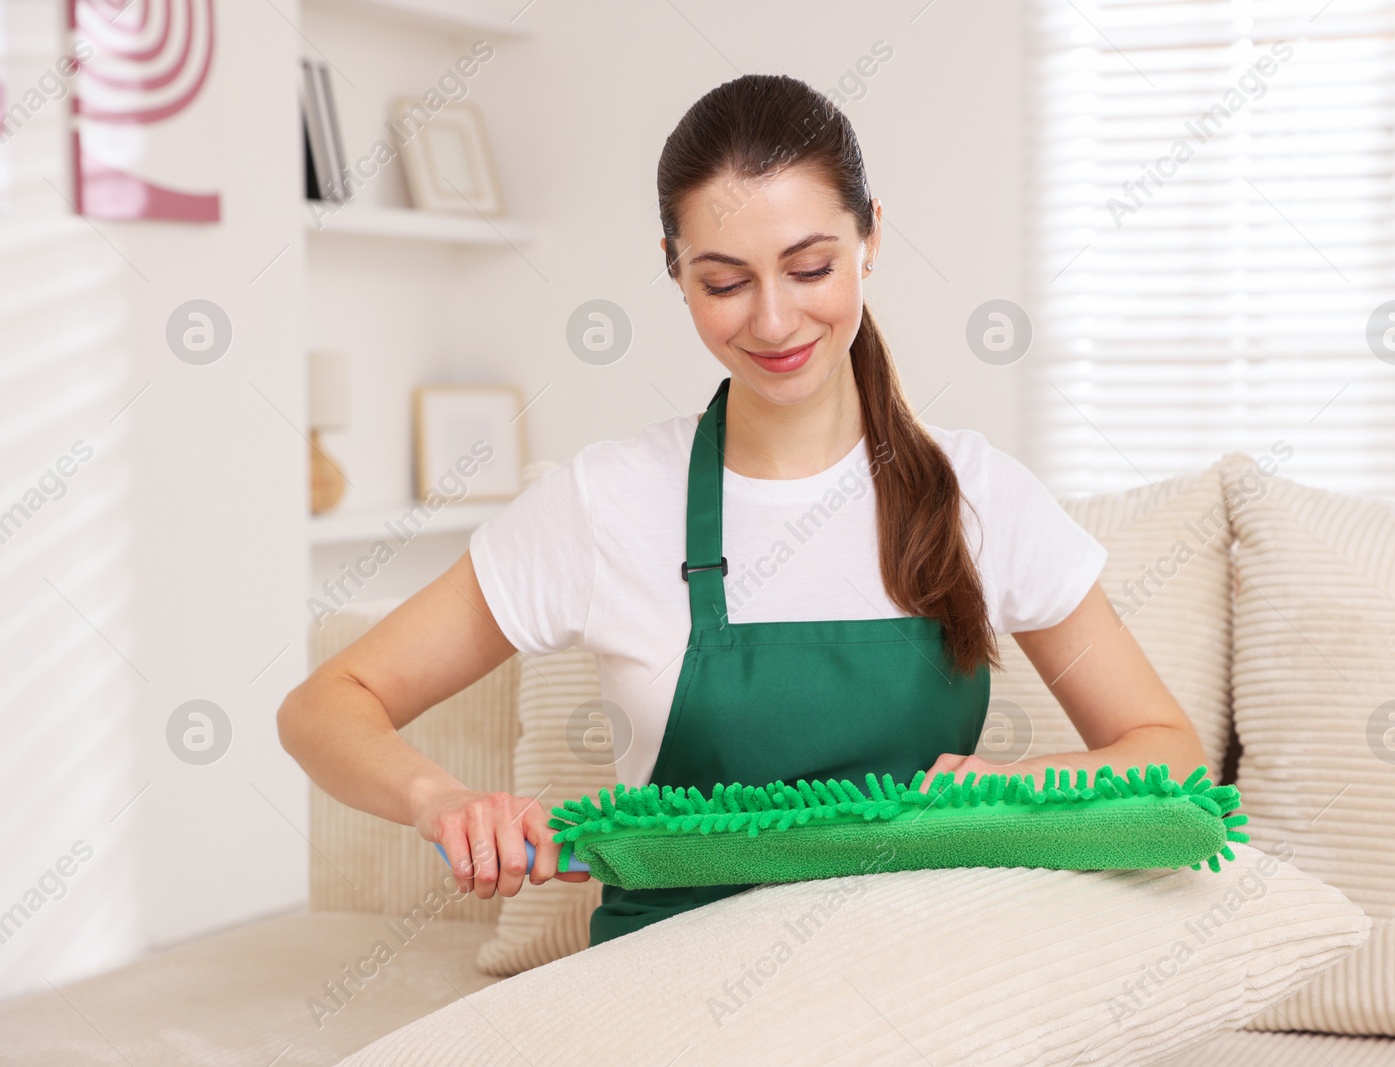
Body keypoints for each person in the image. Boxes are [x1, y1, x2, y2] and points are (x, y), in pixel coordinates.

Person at [276, 73, 1207, 948]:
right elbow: (325, 704)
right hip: (674, 985)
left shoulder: (979, 496)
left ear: (872, 237)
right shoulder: (604, 502)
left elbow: (1171, 756)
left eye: (809, 268)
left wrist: (1003, 793)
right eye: (724, 281)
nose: (771, 321)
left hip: (919, 977)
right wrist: (439, 799)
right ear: (673, 269)